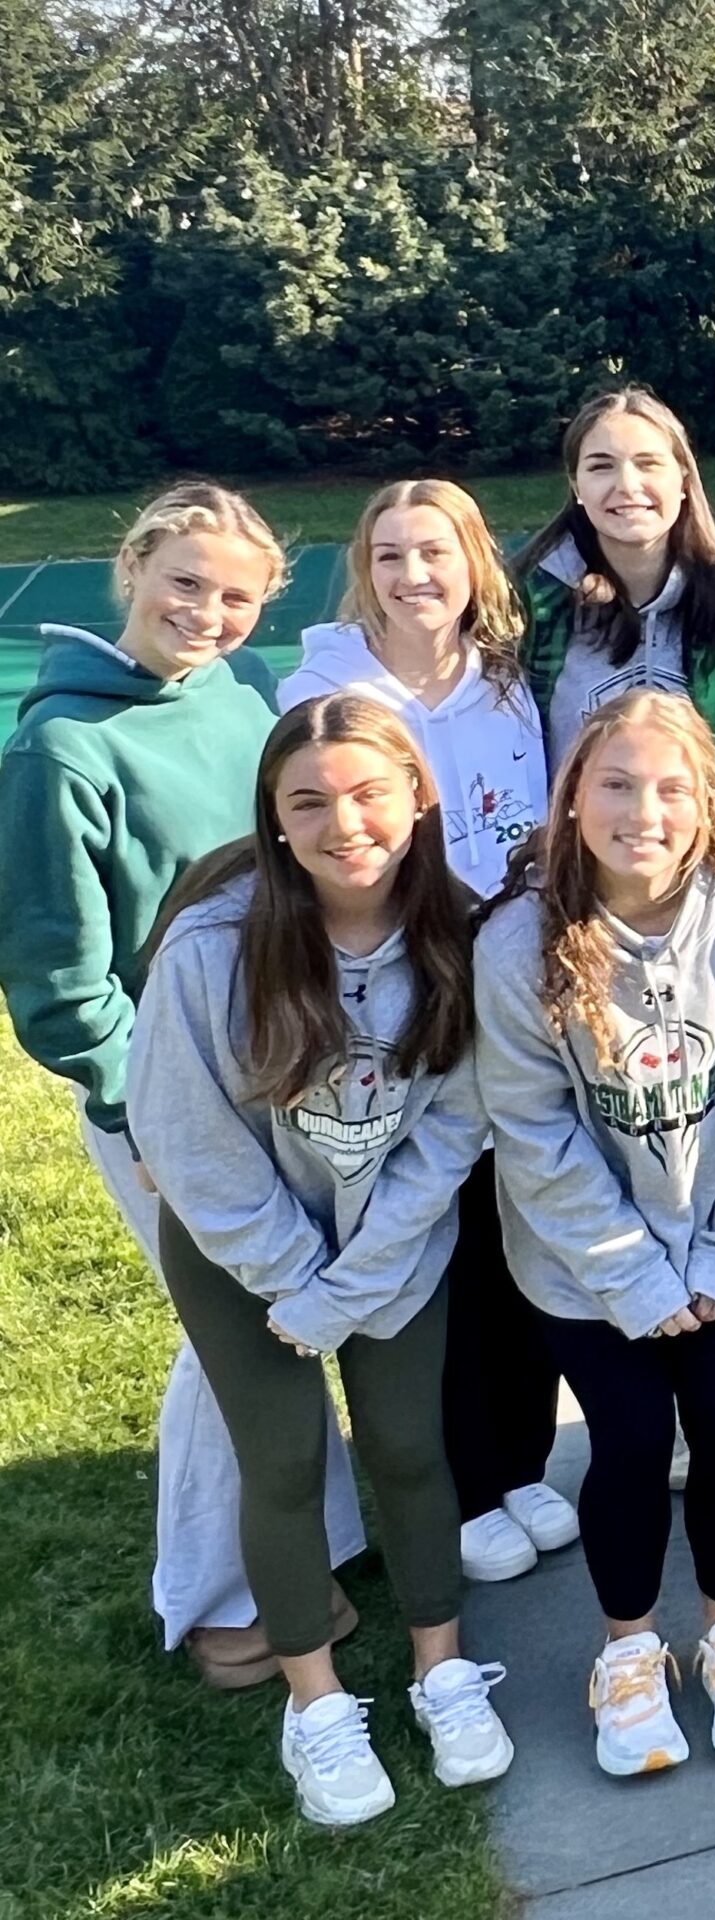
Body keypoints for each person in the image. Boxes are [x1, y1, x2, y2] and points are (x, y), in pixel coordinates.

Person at [0, 482, 367, 1685]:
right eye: (186, 584)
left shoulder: (236, 698)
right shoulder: (61, 749)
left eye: (236, 597)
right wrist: (134, 1112)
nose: (206, 614)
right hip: (170, 1104)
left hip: (280, 1067)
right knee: (235, 1343)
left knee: (289, 1309)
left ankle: (318, 1546)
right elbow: (60, 980)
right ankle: (221, 1603)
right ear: (135, 569)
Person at [129, 695, 511, 1825]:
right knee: (283, 1461)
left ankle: (442, 1670)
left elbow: (453, 1127)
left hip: (388, 1241)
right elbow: (186, 1142)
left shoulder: (465, 936)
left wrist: (356, 1275)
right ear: (276, 820)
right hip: (242, 1251)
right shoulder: (211, 946)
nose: (345, 823)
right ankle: (317, 1703)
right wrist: (296, 1279)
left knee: (407, 1444)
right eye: (310, 803)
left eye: (368, 793)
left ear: (418, 799)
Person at [476, 691, 715, 1775]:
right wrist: (633, 1276)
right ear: (574, 795)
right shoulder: (518, 941)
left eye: (672, 787)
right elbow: (532, 1133)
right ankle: (626, 1653)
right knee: (626, 1441)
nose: (645, 810)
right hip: (583, 1262)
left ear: (706, 796)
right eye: (617, 784)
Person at [283, 480, 576, 1587]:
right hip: (397, 991)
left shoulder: (502, 682)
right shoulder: (325, 691)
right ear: (366, 566)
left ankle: (523, 1460)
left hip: (505, 977)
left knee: (516, 1228)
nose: (416, 576)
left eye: (437, 553)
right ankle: (458, 1480)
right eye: (392, 554)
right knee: (434, 1225)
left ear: (472, 567)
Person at [515, 388, 715, 814]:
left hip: (710, 863)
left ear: (684, 482)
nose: (627, 485)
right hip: (574, 866)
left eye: (648, 464)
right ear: (576, 487)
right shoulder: (529, 605)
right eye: (601, 467)